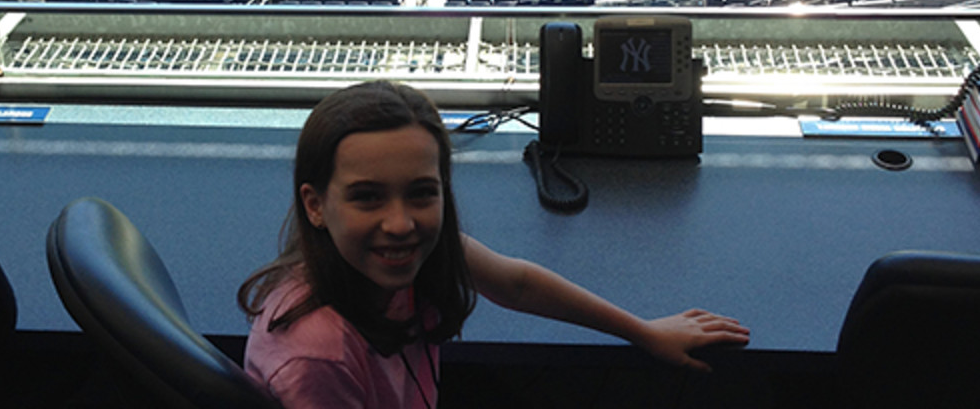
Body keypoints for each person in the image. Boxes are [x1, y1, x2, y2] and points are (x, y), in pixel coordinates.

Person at [239, 80, 749, 409]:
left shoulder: (409, 256)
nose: (399, 224)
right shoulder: (317, 358)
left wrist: (643, 331)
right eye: (367, 198)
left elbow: (517, 284)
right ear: (315, 205)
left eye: (421, 193)